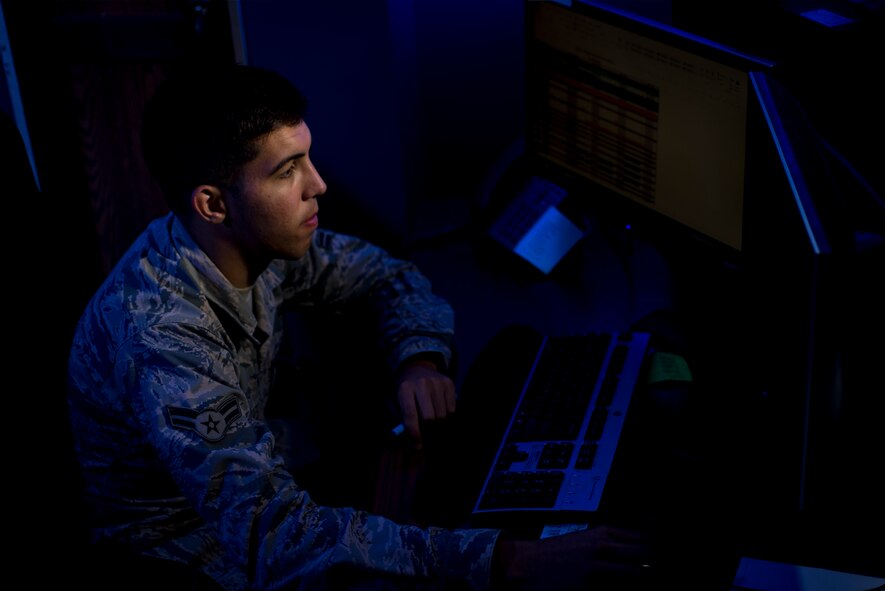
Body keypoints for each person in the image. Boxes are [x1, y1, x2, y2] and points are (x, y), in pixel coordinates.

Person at [66, 62, 653, 590]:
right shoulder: (162, 333)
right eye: (288, 171)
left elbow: (385, 275)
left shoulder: (247, 244)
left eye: (307, 157)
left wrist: (418, 360)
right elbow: (277, 540)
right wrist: (511, 560)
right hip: (184, 553)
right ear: (213, 205)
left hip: (263, 484)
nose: (317, 184)